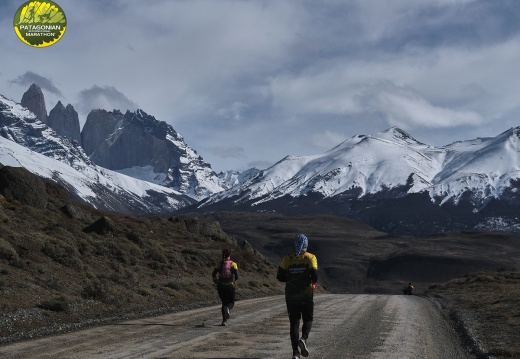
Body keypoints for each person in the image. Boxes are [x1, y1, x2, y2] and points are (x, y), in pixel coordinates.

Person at [277, 234, 318, 359]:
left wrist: (291, 278)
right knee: (308, 319)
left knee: (294, 323)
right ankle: (304, 339)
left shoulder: (287, 259)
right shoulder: (310, 257)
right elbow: (315, 276)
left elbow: (279, 276)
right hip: (306, 295)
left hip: (291, 296)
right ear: (306, 244)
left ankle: (295, 353)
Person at [212, 248, 239, 326]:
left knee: (223, 302)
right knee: (231, 302)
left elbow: (213, 274)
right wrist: (234, 280)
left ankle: (224, 321)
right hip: (230, 285)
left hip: (220, 285)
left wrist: (217, 281)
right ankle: (228, 308)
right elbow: (237, 276)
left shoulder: (219, 263)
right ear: (229, 255)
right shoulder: (233, 264)